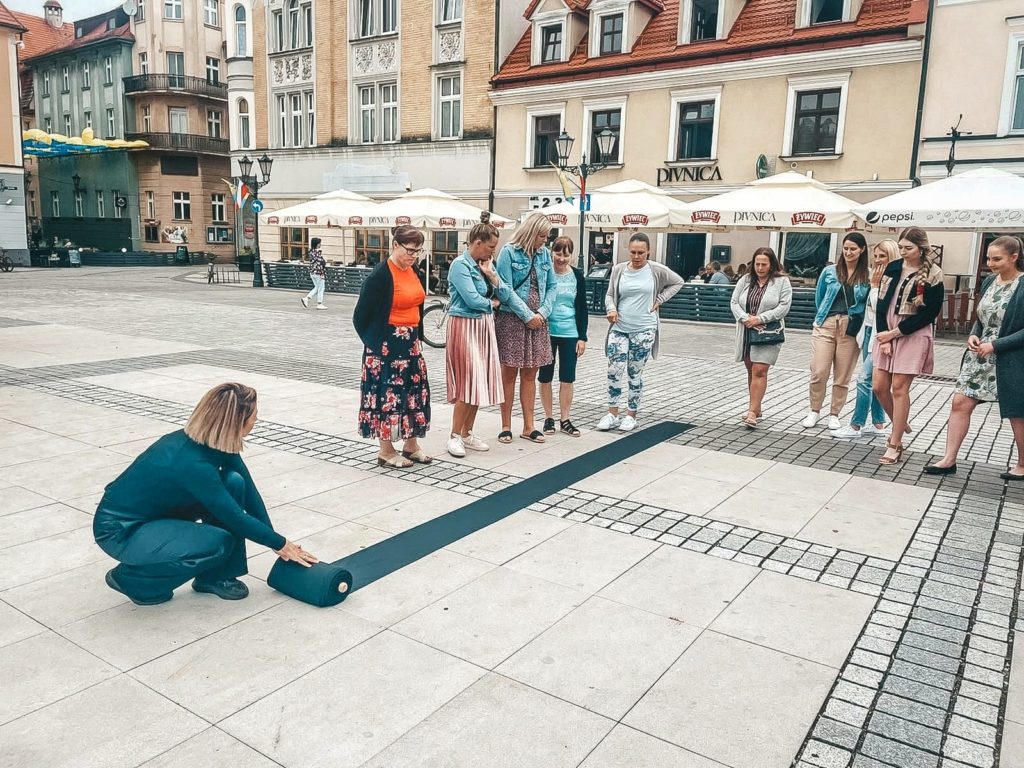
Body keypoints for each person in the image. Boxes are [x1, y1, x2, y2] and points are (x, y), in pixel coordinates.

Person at [93, 383, 318, 606]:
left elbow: (249, 491)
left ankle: (215, 577)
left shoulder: (215, 442)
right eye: (254, 416)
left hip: (161, 512)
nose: (256, 420)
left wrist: (275, 540)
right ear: (236, 422)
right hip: (121, 529)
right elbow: (234, 517)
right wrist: (280, 543)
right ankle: (132, 580)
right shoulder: (192, 463)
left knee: (234, 482)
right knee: (218, 543)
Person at [925, 237, 1024, 477]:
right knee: (960, 402)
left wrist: (996, 345)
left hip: (1010, 358)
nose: (990, 263)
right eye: (988, 258)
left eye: (997, 259)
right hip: (979, 355)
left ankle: (1023, 464)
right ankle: (949, 459)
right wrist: (973, 334)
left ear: (1014, 257)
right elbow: (981, 317)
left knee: (1017, 412)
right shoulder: (990, 281)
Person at [353, 225, 432, 469]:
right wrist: (376, 344)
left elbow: (417, 303)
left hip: (410, 344)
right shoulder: (380, 275)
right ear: (395, 245)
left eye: (418, 251)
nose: (413, 256)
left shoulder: (413, 270)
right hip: (386, 346)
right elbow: (360, 316)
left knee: (413, 393)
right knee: (387, 398)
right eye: (409, 250)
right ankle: (386, 450)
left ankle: (411, 445)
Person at [445, 222, 520, 457]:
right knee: (468, 380)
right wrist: (493, 303)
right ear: (477, 243)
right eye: (490, 247)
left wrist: (492, 276)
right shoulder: (460, 265)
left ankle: (467, 433)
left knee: (479, 382)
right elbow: (472, 300)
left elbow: (506, 293)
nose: (493, 252)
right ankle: (455, 435)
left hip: (484, 326)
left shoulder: (485, 265)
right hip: (465, 325)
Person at [873, 227, 946, 465]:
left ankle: (894, 443)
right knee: (878, 386)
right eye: (901, 247)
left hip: (912, 332)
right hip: (887, 330)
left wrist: (896, 333)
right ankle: (900, 423)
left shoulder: (934, 273)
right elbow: (881, 305)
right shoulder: (893, 268)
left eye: (908, 248)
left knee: (899, 388)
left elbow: (930, 313)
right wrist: (884, 335)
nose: (903, 252)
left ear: (921, 248)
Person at [598, 233, 684, 431]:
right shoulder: (619, 269)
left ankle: (631, 414)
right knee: (614, 370)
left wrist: (660, 299)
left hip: (644, 328)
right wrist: (611, 309)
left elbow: (678, 282)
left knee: (634, 373)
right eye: (633, 252)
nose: (636, 257)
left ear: (648, 252)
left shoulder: (655, 270)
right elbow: (610, 294)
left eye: (641, 253)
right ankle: (612, 413)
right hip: (620, 327)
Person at [494, 212, 555, 444]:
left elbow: (552, 286)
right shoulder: (509, 253)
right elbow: (504, 290)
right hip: (512, 319)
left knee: (530, 373)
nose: (545, 241)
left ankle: (529, 426)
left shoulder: (544, 255)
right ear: (531, 233)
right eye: (542, 236)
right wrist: (527, 314)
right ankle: (506, 425)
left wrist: (542, 313)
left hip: (538, 321)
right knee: (508, 373)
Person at [802, 233, 871, 431]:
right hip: (827, 323)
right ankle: (814, 410)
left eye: (853, 249)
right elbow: (820, 297)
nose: (848, 252)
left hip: (850, 327)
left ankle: (834, 413)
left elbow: (867, 303)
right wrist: (822, 318)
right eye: (846, 248)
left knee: (843, 375)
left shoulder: (867, 274)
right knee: (819, 370)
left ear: (862, 250)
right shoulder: (829, 271)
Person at [831, 240, 899, 438]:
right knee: (876, 381)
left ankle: (855, 425)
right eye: (875, 256)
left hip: (882, 334)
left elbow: (883, 309)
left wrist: (875, 287)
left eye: (882, 256)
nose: (877, 260)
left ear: (892, 257)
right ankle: (878, 423)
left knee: (864, 380)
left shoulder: (893, 279)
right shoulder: (878, 276)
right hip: (869, 330)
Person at [730, 247, 792, 428]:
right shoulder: (746, 280)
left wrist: (760, 318)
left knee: (759, 370)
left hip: (768, 332)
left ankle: (751, 412)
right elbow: (734, 302)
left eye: (764, 264)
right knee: (751, 370)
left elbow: (783, 307)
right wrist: (746, 318)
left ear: (772, 264)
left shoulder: (782, 282)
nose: (760, 267)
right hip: (747, 331)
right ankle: (756, 407)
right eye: (757, 263)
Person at [538, 237, 589, 437]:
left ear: (571, 255)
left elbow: (582, 308)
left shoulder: (577, 275)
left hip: (570, 333)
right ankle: (548, 417)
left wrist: (582, 337)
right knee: (545, 377)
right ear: (552, 253)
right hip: (546, 331)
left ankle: (565, 419)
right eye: (558, 254)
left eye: (566, 254)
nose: (561, 258)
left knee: (567, 377)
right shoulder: (545, 273)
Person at [300, 237, 327, 310]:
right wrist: (322, 273)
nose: (320, 244)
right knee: (321, 288)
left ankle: (307, 298)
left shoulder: (311, 252)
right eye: (319, 243)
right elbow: (320, 264)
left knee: (317, 287)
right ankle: (319, 303)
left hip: (312, 272)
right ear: (317, 244)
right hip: (318, 273)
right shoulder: (317, 253)